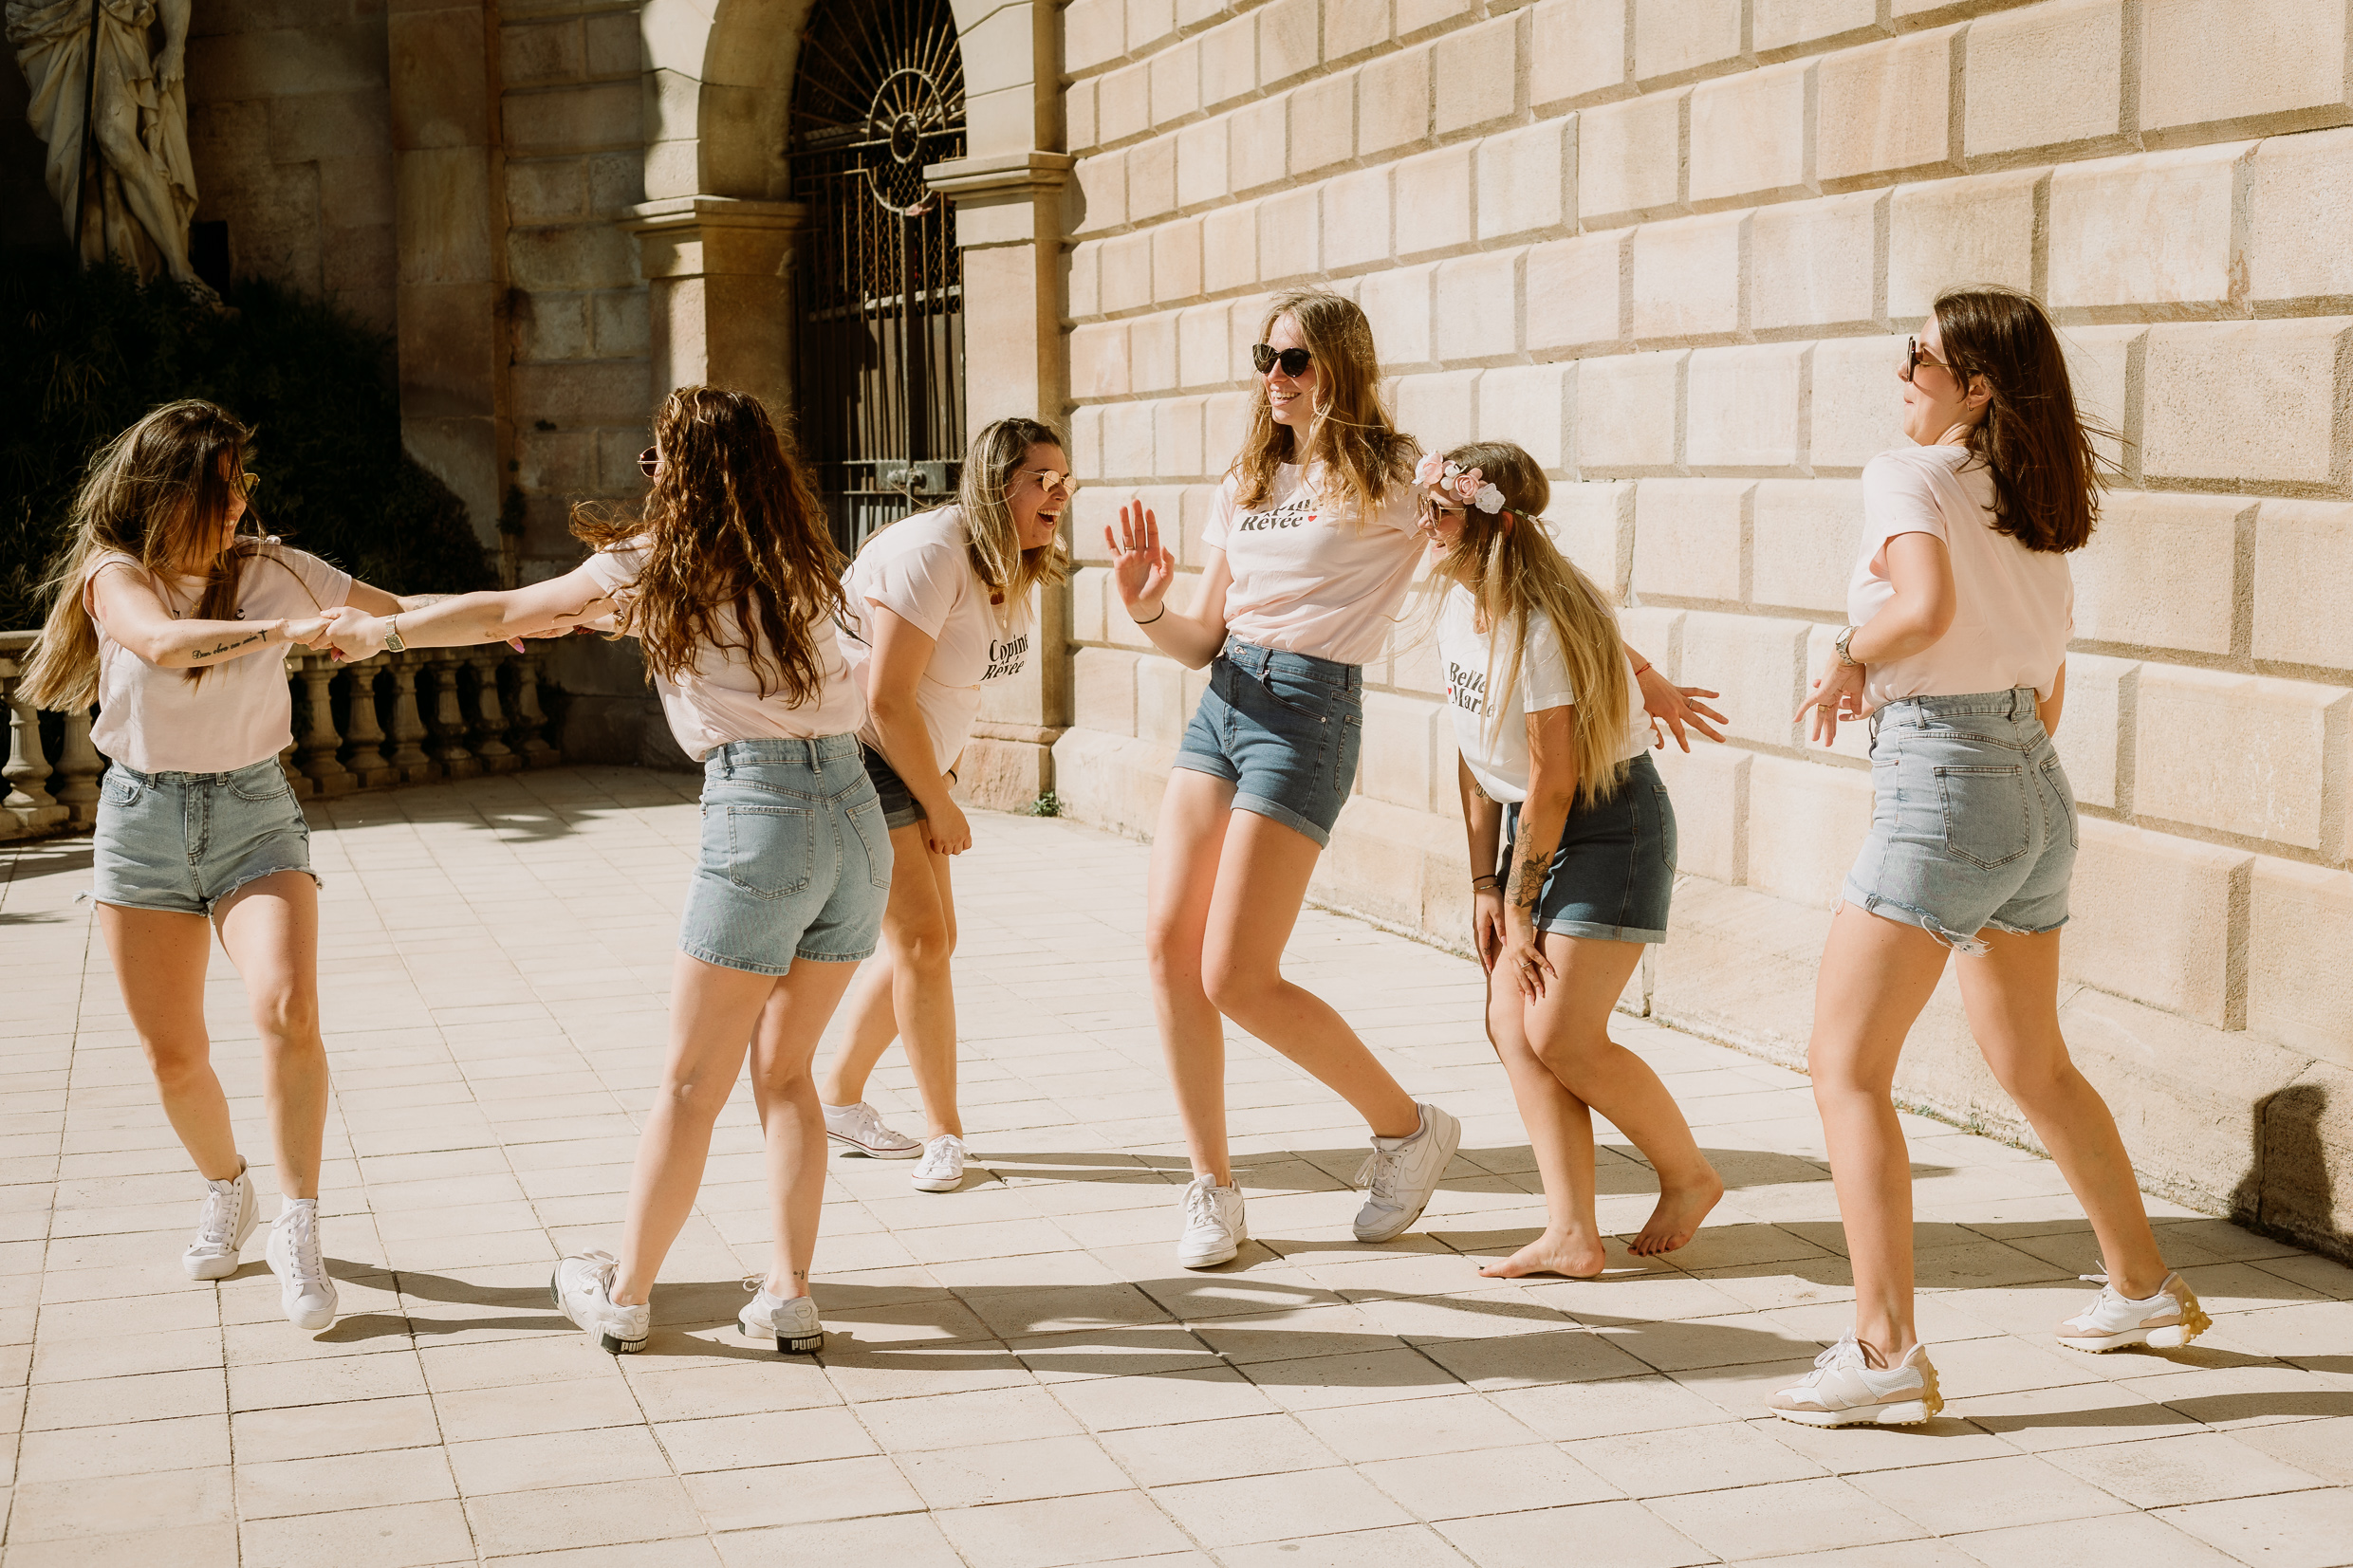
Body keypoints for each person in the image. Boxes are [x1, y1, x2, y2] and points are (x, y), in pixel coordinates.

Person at [324, 386, 887, 1356]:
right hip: (853, 816)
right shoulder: (799, 559)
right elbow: (736, 643)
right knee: (786, 1073)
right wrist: (607, 618)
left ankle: (625, 1296)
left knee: (688, 1085)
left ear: (681, 472)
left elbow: (505, 607)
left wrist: (380, 630)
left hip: (762, 817)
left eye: (656, 460)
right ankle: (789, 1296)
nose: (650, 475)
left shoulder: (651, 560)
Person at [1769, 287, 2208, 1429]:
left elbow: (1917, 609)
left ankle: (1881, 1350)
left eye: (1917, 356)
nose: (1899, 371)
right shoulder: (2031, 501)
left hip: (1944, 787)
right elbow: (2046, 678)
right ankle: (2142, 1289)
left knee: (1844, 1069)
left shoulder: (1905, 476)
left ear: (1974, 387)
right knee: (2033, 1065)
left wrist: (1841, 657)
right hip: (2028, 787)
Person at [20, 397, 452, 1331]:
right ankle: (229, 1186)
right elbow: (165, 647)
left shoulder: (275, 568)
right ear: (173, 490)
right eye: (226, 484)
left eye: (242, 482)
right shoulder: (115, 574)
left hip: (254, 813)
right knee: (173, 1058)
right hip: (140, 822)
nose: (241, 500)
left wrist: (553, 612)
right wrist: (280, 635)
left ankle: (299, 1222)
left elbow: (404, 613)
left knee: (286, 1008)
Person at [1102, 287, 1470, 1269]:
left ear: (1340, 367)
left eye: (1294, 360)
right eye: (1263, 355)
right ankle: (1212, 1191)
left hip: (1308, 713)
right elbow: (1199, 638)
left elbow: (1504, 545)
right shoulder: (1248, 478)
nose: (1273, 376)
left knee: (1236, 975)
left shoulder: (1395, 474)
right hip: (1223, 699)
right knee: (1165, 947)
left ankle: (1407, 1129)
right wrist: (1144, 607)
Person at [1420, 442, 1724, 1281]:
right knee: (1510, 1023)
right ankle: (1571, 1232)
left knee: (1560, 1029)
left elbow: (1553, 779)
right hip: (1536, 826)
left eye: (1442, 509)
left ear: (1493, 524)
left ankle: (1690, 1175)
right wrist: (1485, 882)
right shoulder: (1457, 606)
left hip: (1610, 820)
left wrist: (1519, 912)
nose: (1426, 523)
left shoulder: (1542, 621)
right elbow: (1477, 757)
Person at [816, 416, 1072, 1193]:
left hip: (915, 758)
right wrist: (941, 801)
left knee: (929, 940)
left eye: (1066, 481)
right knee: (923, 941)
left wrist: (943, 783)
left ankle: (837, 1097)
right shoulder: (933, 553)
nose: (1060, 494)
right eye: (1044, 480)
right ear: (1000, 485)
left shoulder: (1011, 562)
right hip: (865, 747)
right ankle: (943, 1133)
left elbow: (949, 690)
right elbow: (887, 698)